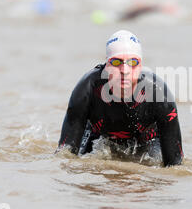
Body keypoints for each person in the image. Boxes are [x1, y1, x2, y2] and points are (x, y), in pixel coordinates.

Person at [56, 30, 183, 167]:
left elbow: (175, 166)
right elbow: (64, 155)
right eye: (117, 62)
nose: (125, 70)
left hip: (148, 141)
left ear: (140, 66)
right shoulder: (87, 88)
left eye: (133, 62)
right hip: (99, 137)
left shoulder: (159, 94)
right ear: (107, 65)